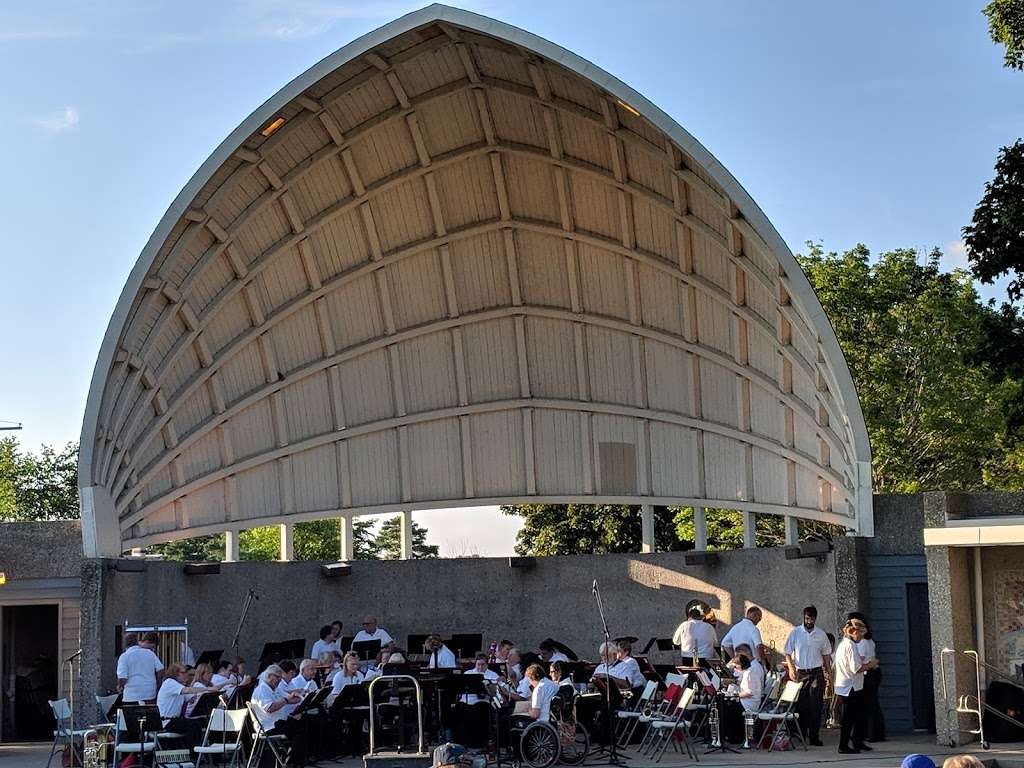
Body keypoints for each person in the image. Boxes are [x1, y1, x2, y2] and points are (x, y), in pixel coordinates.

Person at [783, 605, 833, 747]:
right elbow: (787, 652)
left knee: (816, 705)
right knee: (801, 705)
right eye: (807, 618)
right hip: (801, 672)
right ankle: (801, 734)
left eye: (811, 619)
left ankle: (814, 736)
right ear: (804, 617)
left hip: (816, 672)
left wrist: (830, 675)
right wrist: (791, 669)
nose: (809, 621)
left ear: (815, 619)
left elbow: (826, 656)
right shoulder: (796, 633)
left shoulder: (821, 634)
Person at [834, 618, 878, 754]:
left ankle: (854, 742)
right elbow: (856, 668)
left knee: (853, 717)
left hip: (846, 687)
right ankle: (843, 745)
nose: (861, 637)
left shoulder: (843, 644)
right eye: (859, 633)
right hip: (850, 688)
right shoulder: (850, 646)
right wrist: (871, 664)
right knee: (848, 719)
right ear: (852, 632)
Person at [157, 663, 222, 746]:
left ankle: (211, 753)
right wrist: (208, 689)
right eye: (183, 673)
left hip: (175, 720)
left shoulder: (179, 686)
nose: (186, 675)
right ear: (175, 673)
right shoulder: (169, 682)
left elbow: (191, 698)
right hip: (167, 721)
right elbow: (187, 691)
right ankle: (193, 752)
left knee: (205, 723)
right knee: (194, 725)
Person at [252, 664, 306, 762]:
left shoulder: (276, 689)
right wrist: (286, 699)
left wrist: (296, 696)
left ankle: (291, 759)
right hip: (269, 726)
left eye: (280, 678)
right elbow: (270, 708)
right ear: (269, 676)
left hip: (279, 722)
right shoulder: (261, 690)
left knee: (305, 724)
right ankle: (290, 760)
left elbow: (292, 699)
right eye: (277, 677)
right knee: (299, 731)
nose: (279, 680)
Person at [849, 612, 885, 742]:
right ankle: (872, 732)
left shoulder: (864, 642)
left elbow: (862, 661)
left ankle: (872, 733)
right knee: (870, 704)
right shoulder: (863, 641)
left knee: (869, 705)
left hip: (869, 674)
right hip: (869, 673)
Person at [457, 653, 500, 746]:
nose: (480, 667)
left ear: (487, 664)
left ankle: (479, 741)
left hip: (483, 701)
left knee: (480, 710)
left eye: (483, 665)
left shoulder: (493, 675)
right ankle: (464, 740)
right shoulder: (468, 674)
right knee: (459, 709)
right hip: (467, 700)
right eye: (478, 664)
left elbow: (495, 691)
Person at [116, 632, 164, 704]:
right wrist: (157, 684)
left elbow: (123, 678)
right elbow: (160, 669)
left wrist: (120, 686)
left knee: (130, 714)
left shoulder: (124, 656)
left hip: (131, 696)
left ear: (125, 645)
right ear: (137, 642)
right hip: (150, 694)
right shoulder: (150, 653)